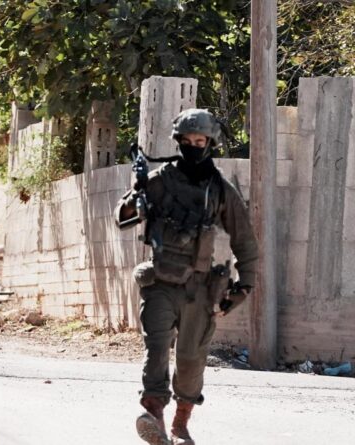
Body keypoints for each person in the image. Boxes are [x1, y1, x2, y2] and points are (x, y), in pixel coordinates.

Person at [115, 109, 258, 445]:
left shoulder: (219, 190)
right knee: (157, 348)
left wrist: (243, 287)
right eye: (188, 141)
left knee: (192, 359)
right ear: (178, 141)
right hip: (160, 282)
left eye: (200, 141)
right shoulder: (159, 181)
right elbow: (122, 219)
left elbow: (246, 243)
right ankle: (154, 416)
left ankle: (180, 426)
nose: (194, 146)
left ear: (210, 143)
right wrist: (136, 195)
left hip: (200, 289)